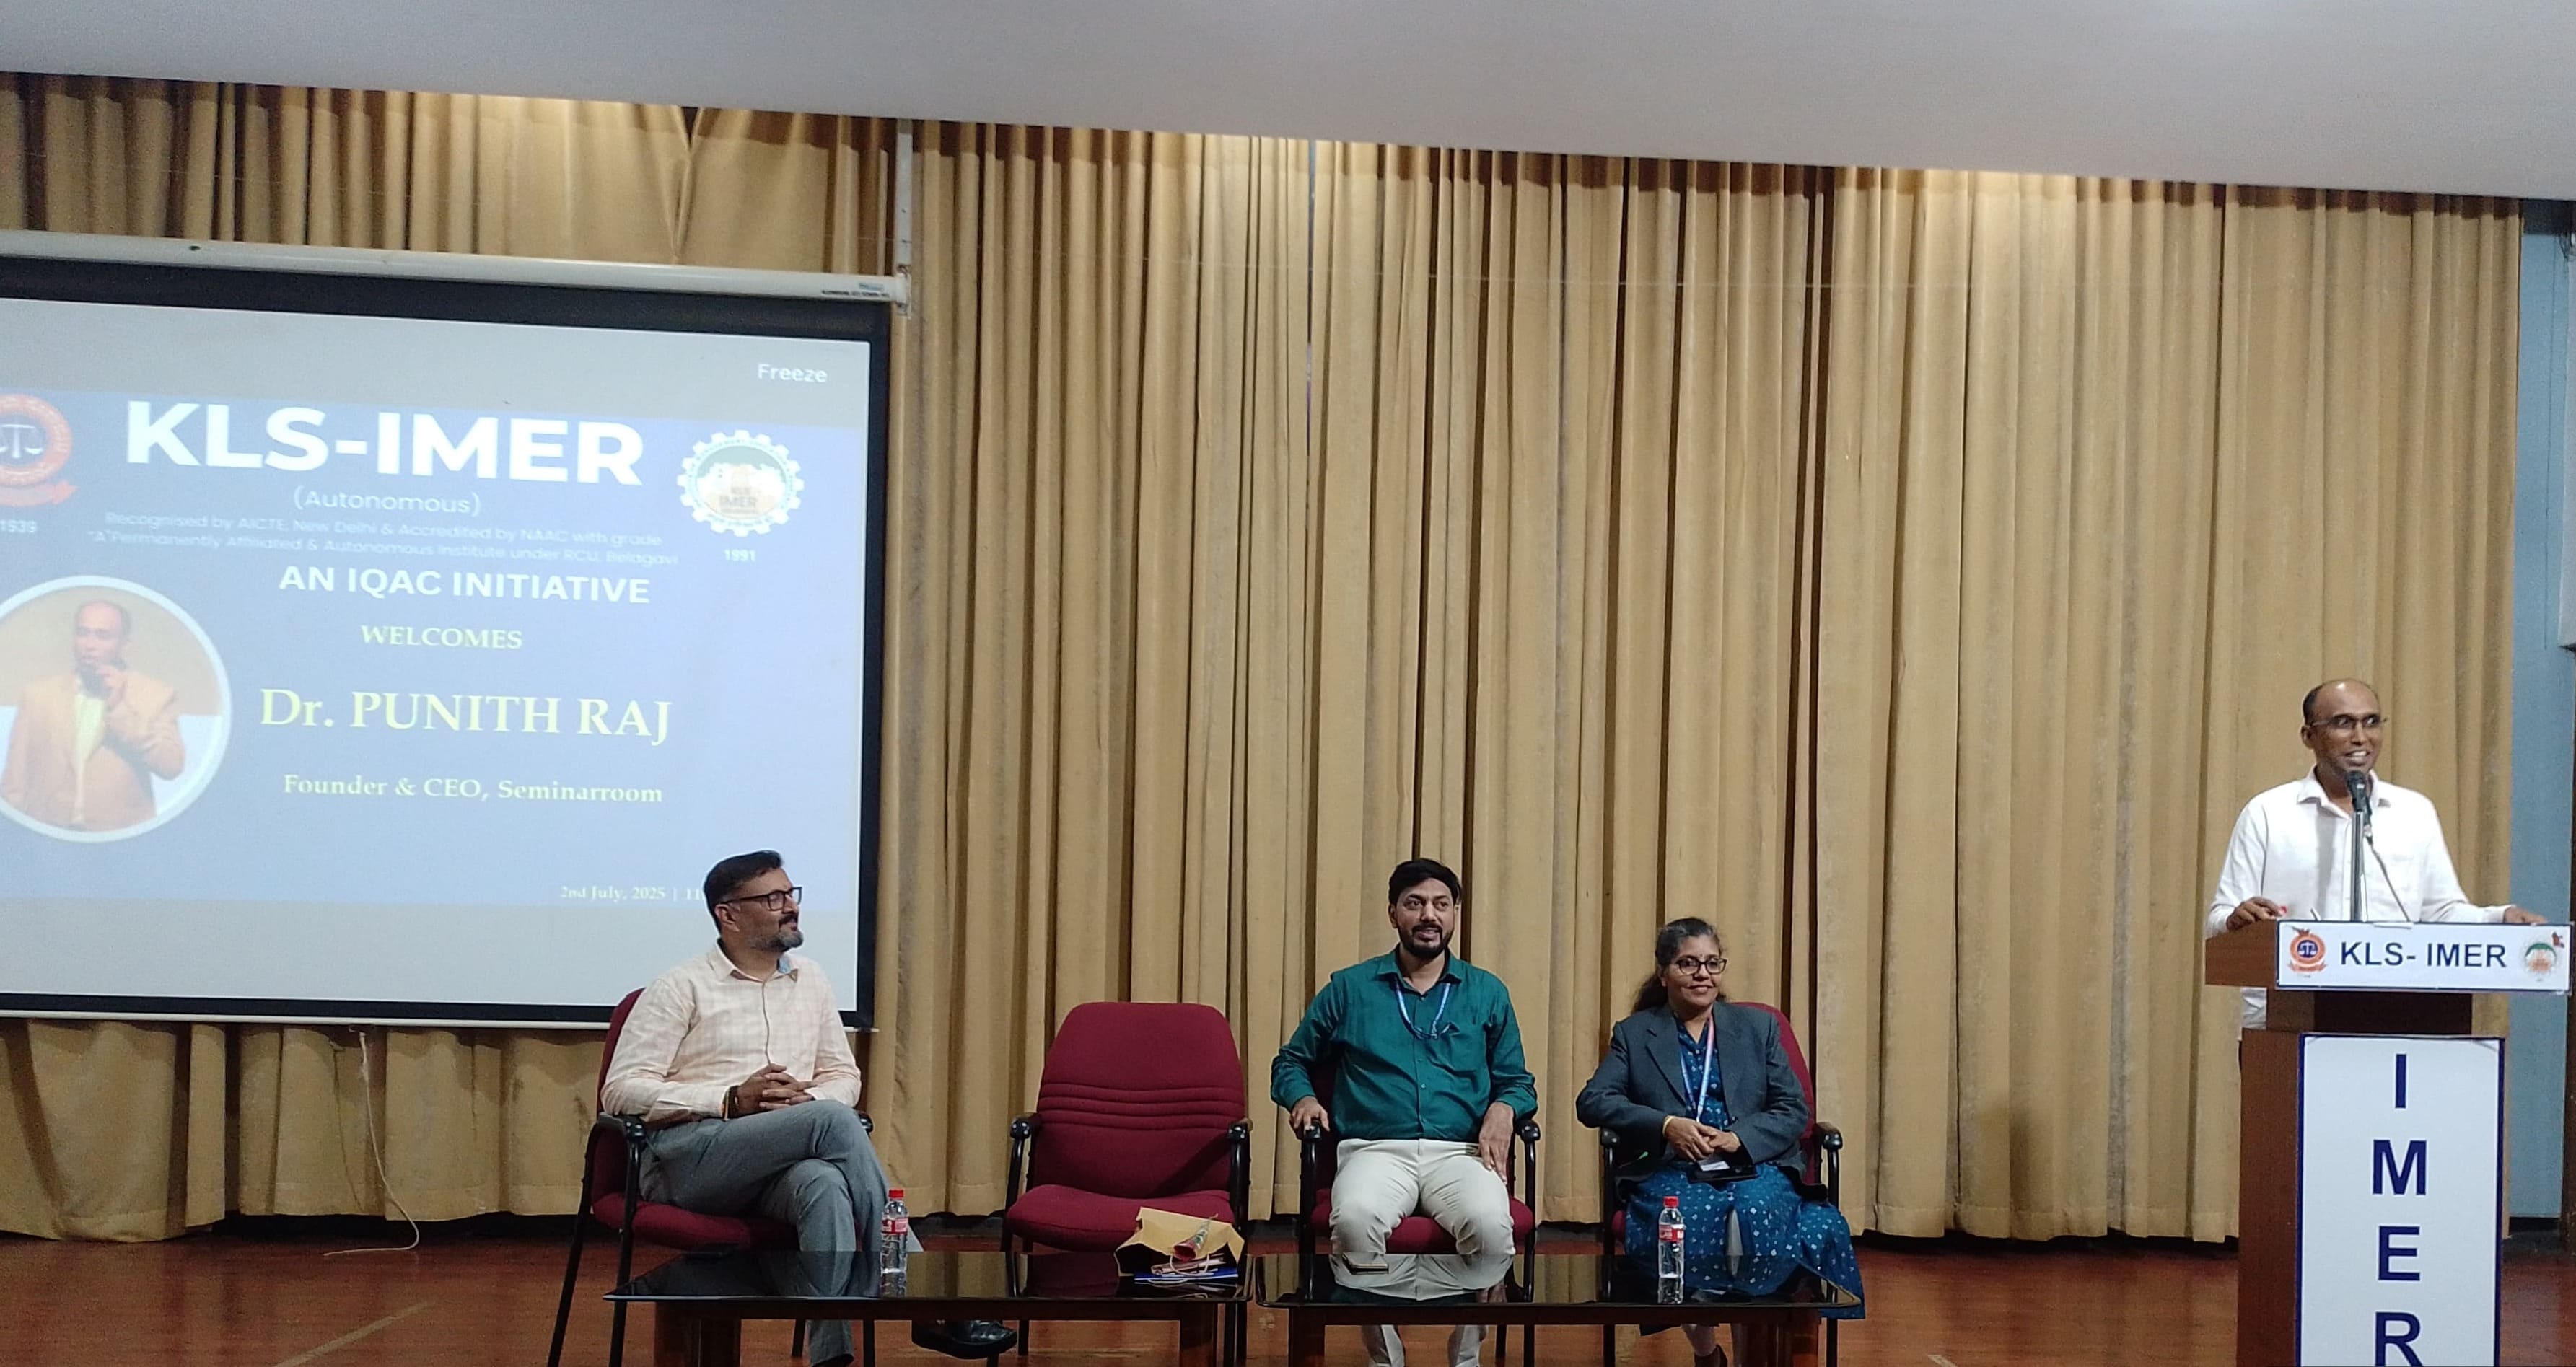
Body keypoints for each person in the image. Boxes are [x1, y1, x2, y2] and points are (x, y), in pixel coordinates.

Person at [600, 851, 1016, 1365]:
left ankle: (830, 1355)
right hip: (690, 1160)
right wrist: (729, 1100)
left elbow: (844, 1076)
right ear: (728, 914)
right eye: (773, 898)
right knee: (833, 1121)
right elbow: (621, 1091)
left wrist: (807, 1100)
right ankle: (927, 1301)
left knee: (823, 1183)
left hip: (777, 1162)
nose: (790, 907)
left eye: (791, 894)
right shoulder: (680, 985)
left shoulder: (811, 979)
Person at [1271, 858, 1538, 1367]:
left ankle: (1465, 1355)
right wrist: (1302, 1097)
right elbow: (1291, 1060)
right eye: (1414, 903)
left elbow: (1517, 1080)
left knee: (1490, 1224)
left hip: (1460, 1152)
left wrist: (1505, 1108)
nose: (1428, 915)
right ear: (1393, 913)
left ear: (1455, 914)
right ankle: (1385, 1355)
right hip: (1374, 1149)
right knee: (1354, 1221)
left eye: (1441, 904)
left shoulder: (1487, 992)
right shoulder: (1350, 988)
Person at [1576, 918, 1865, 1367]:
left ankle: (1760, 1352)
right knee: (1687, 1220)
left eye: (1712, 963)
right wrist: (1666, 1125)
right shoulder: (1635, 1033)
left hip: (1752, 1164)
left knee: (1757, 1210)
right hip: (1674, 1168)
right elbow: (1593, 1102)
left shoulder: (1758, 1027)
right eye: (1688, 964)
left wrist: (1738, 1138)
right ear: (1663, 973)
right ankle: (1707, 1352)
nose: (1702, 975)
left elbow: (1793, 1110)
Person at [2205, 679, 2547, 1028]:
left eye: (2371, 722)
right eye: (2343, 723)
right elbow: (2220, 917)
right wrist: (2237, 919)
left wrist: (2498, 919)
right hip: (2287, 1020)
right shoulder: (2269, 812)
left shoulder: (2413, 811)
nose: (2360, 737)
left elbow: (2441, 913)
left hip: (2398, 1015)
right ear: (2309, 736)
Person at [1, 600, 185, 832]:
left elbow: (171, 765)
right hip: (47, 833)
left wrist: (119, 709)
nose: (89, 645)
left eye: (102, 636)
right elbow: (15, 780)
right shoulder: (38, 695)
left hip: (118, 835)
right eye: (82, 633)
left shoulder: (155, 695)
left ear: (124, 644)